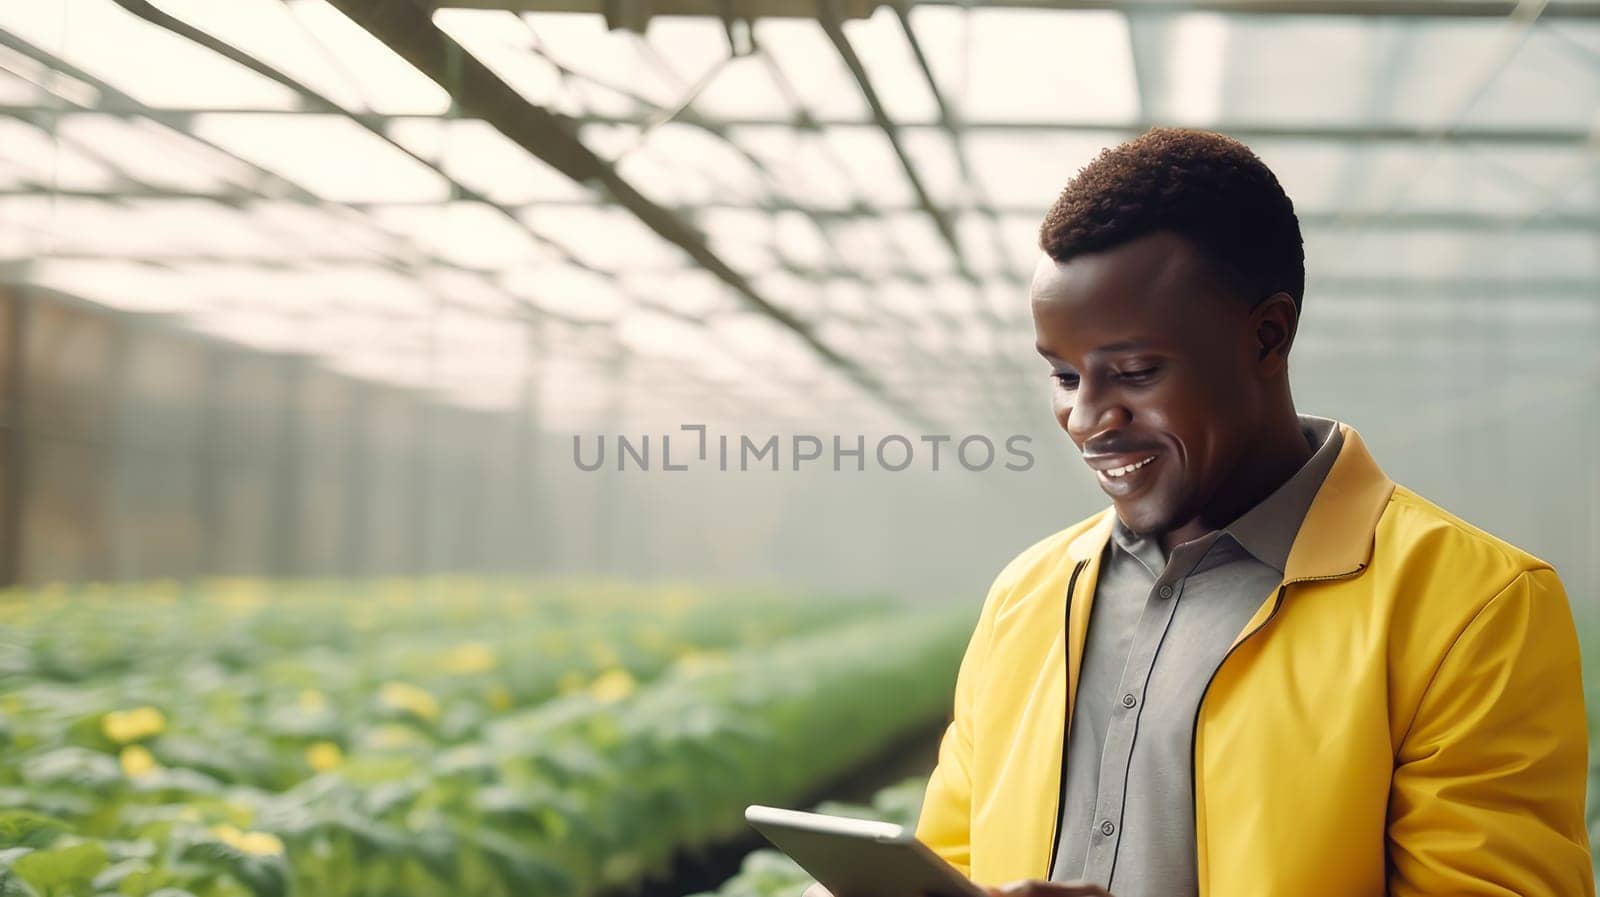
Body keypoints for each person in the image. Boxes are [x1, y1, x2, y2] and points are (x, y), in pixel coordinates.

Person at [806, 128, 1593, 897]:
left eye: (1136, 372)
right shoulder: (1026, 596)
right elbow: (954, 858)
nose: (1086, 418)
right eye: (1065, 377)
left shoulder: (1473, 607)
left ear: (1267, 335)